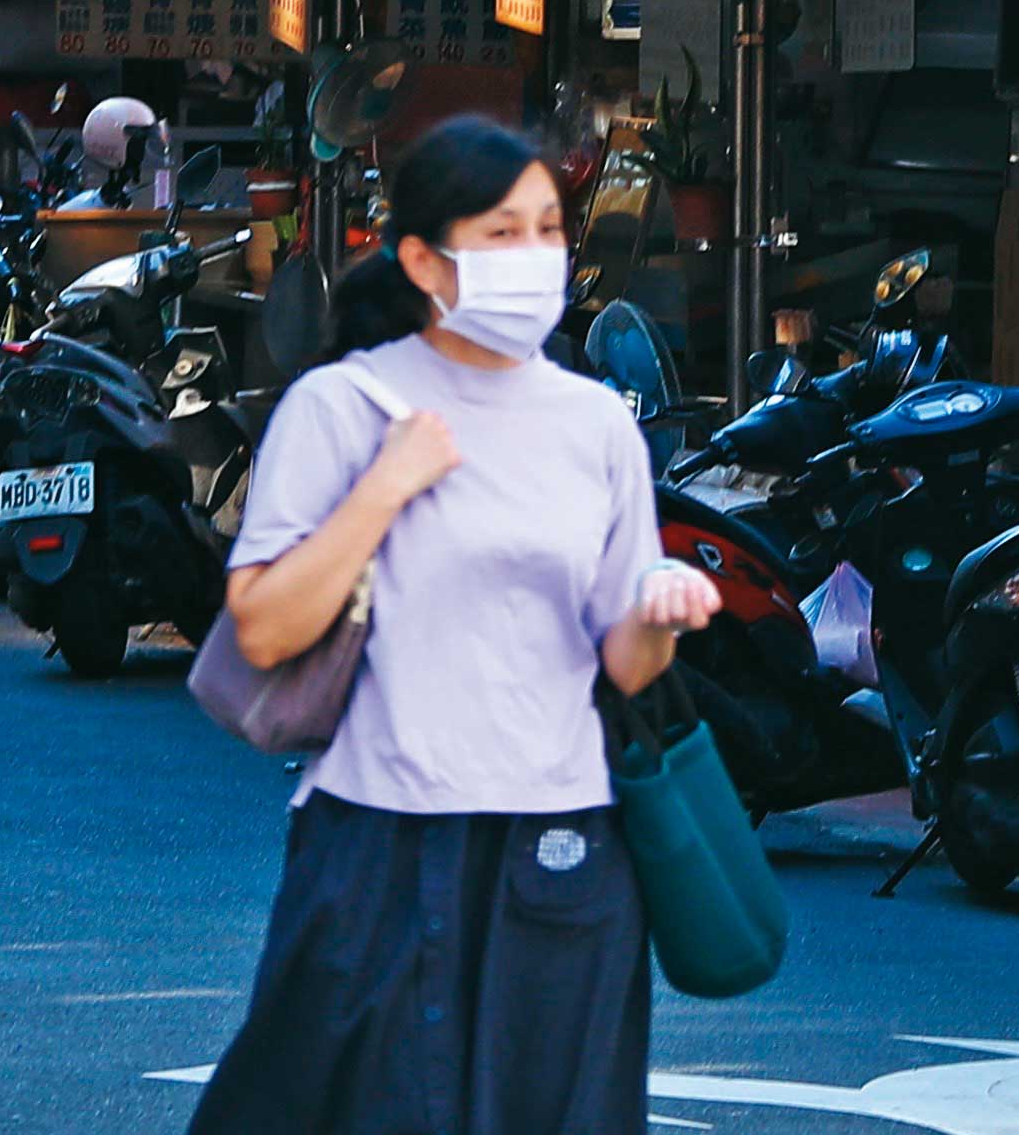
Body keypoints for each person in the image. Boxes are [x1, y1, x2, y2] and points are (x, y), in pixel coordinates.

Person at [190, 119, 720, 1135]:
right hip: (378, 842)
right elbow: (262, 629)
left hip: (563, 846)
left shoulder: (595, 423)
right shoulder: (341, 406)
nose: (535, 256)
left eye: (548, 229)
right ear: (424, 261)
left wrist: (659, 615)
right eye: (501, 233)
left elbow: (621, 661)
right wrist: (384, 488)